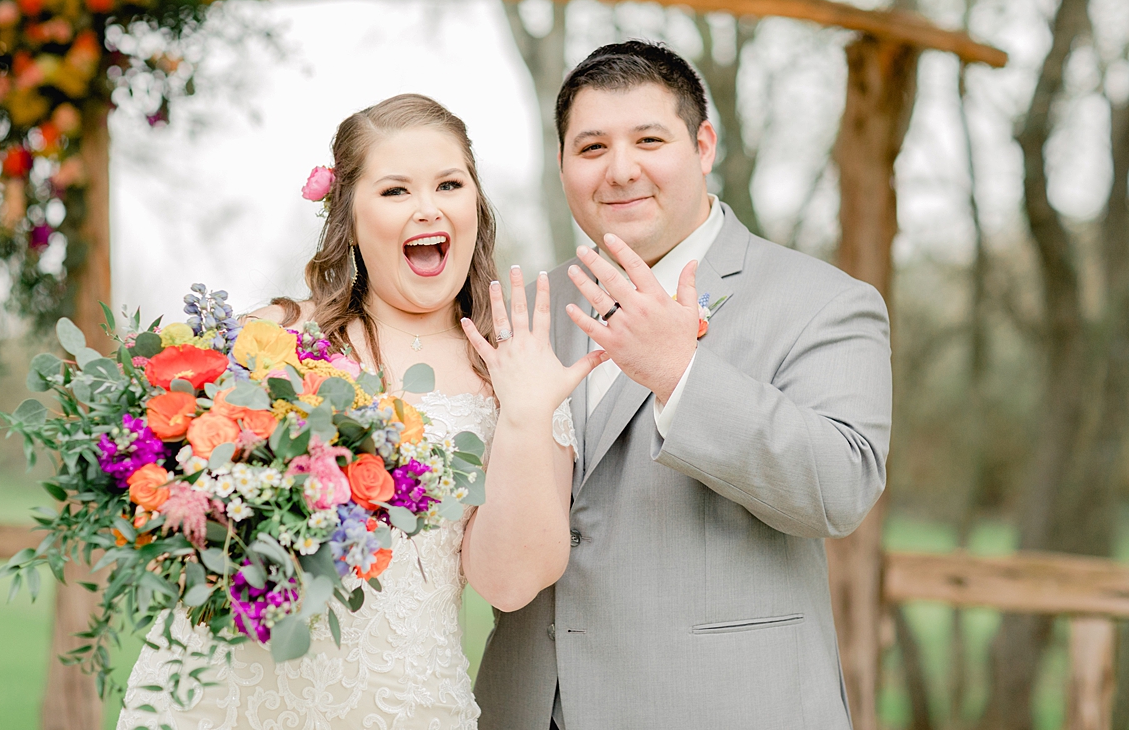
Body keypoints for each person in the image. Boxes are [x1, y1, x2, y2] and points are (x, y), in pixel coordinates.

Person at [117, 94, 604, 730]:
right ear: (348, 214)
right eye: (396, 190)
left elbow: (509, 584)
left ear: (475, 207)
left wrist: (525, 415)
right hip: (223, 696)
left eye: (449, 184)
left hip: (398, 703)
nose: (428, 207)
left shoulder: (514, 369)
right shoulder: (274, 340)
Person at [474, 41, 892, 729]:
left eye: (648, 139)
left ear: (702, 145)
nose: (621, 169)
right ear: (562, 166)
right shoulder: (529, 309)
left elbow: (842, 490)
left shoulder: (822, 300)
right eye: (591, 148)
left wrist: (681, 376)